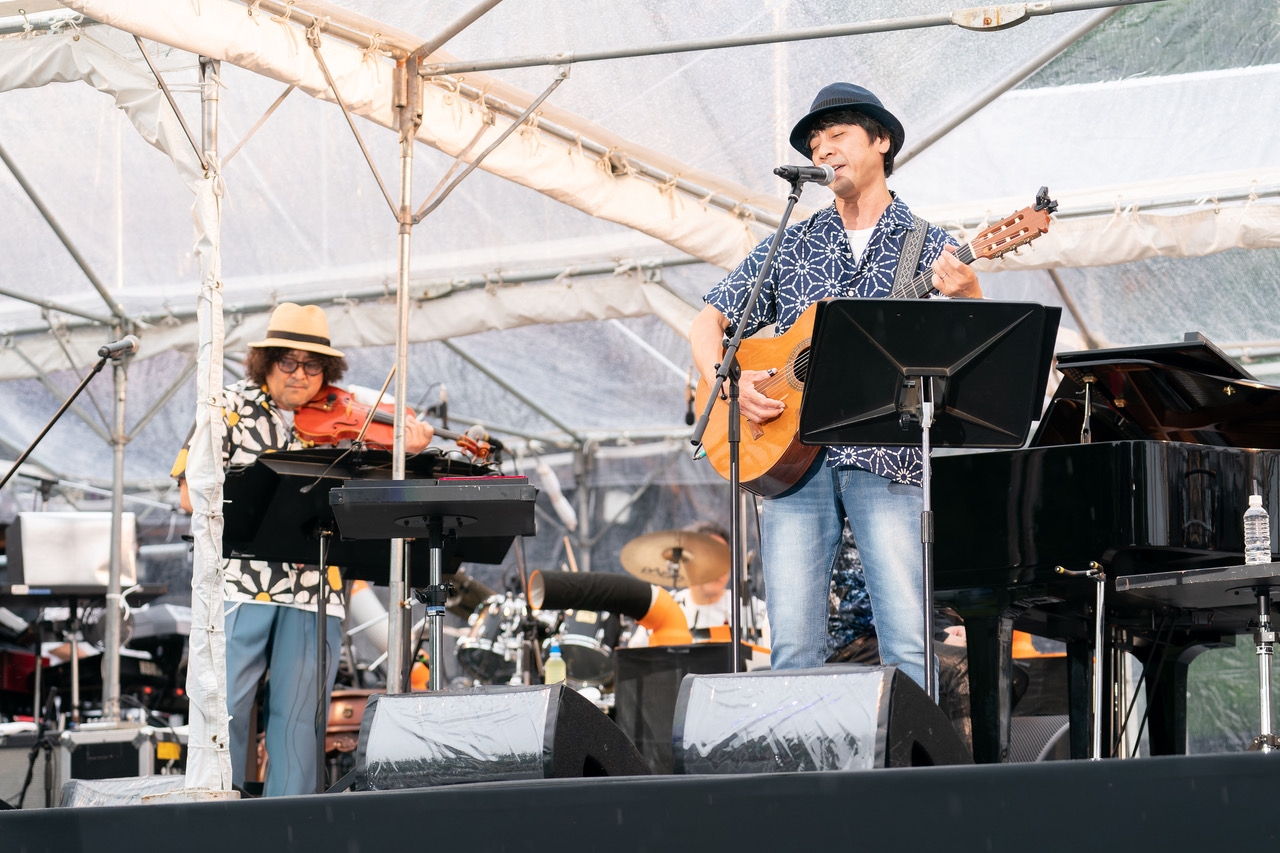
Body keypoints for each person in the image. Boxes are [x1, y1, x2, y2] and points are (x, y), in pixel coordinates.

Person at [689, 83, 982, 690]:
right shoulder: (792, 243)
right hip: (792, 458)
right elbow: (707, 319)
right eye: (815, 142)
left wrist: (970, 295)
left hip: (888, 455)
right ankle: (798, 755)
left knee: (908, 639)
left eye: (838, 134)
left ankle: (912, 750)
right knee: (793, 645)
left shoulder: (927, 245)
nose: (823, 149)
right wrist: (731, 382)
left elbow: (972, 357)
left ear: (882, 141)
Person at [172, 303, 432, 796]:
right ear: (265, 363)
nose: (300, 374)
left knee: (299, 723)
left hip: (317, 587)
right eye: (287, 361)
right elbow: (189, 494)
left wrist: (406, 449)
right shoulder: (226, 406)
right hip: (241, 582)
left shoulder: (346, 418)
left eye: (312, 365)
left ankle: (287, 825)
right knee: (221, 711)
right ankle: (213, 813)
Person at [626, 521, 770, 653]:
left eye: (722, 558)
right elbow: (635, 659)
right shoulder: (663, 608)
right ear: (685, 562)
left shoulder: (756, 612)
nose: (715, 566)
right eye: (706, 557)